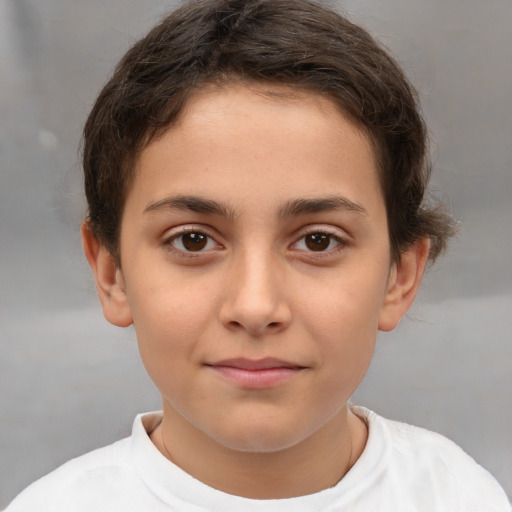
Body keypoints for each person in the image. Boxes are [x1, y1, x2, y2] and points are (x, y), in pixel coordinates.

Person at [6, 0, 510, 510]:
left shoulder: (461, 496)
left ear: (398, 276)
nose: (255, 307)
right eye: (193, 240)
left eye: (318, 240)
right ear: (113, 273)